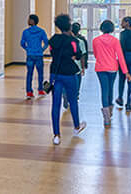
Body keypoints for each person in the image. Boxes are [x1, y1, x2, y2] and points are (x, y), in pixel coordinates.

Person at [45, 13, 86, 145]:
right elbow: (78, 55)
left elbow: (52, 52)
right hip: (69, 73)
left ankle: (56, 135)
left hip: (55, 73)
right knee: (73, 100)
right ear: (68, 26)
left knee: (55, 104)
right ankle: (76, 126)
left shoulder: (53, 39)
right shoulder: (73, 40)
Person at [92, 19, 130, 127]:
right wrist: (125, 72)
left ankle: (106, 118)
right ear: (112, 29)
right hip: (113, 68)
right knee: (110, 88)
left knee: (104, 90)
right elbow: (120, 56)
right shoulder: (115, 40)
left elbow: (95, 54)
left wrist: (101, 59)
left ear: (102, 28)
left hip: (100, 68)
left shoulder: (95, 40)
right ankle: (110, 109)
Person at [19, 14, 49, 100]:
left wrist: (27, 49)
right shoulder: (41, 31)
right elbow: (46, 42)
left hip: (30, 55)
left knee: (29, 74)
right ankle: (40, 90)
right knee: (40, 74)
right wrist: (41, 50)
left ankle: (29, 92)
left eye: (29, 19)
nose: (27, 21)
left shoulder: (25, 32)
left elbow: (22, 43)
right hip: (39, 55)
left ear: (32, 21)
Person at [115, 15, 131, 114]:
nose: (121, 24)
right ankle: (129, 104)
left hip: (125, 57)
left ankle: (120, 98)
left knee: (121, 78)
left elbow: (121, 46)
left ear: (127, 22)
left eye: (122, 22)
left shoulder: (123, 34)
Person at [70, 21, 90, 107]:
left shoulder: (67, 40)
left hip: (68, 65)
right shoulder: (81, 40)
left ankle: (68, 95)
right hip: (77, 66)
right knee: (77, 82)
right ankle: (76, 95)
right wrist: (83, 66)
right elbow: (83, 55)